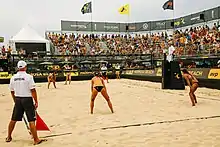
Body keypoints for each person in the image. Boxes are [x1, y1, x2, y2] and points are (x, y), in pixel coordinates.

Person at [6, 60, 46, 145]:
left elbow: (12, 91)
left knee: (13, 119)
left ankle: (9, 136)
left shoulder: (13, 77)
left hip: (18, 99)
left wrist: (14, 100)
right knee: (31, 120)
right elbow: (33, 90)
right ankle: (36, 139)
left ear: (18, 68)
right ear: (25, 67)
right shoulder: (28, 77)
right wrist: (36, 101)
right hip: (27, 99)